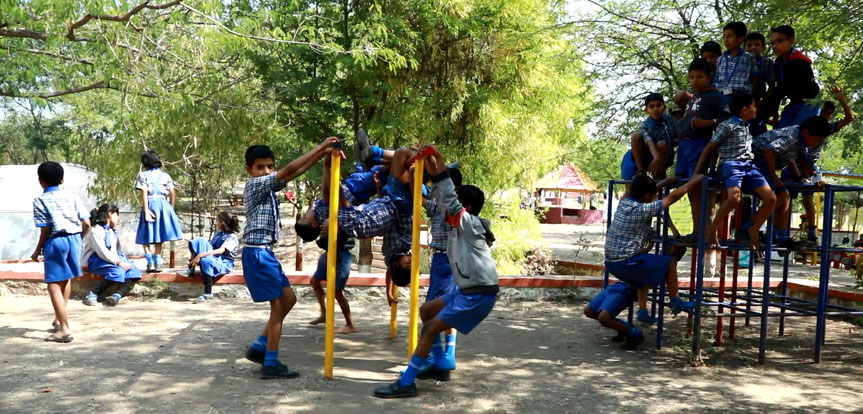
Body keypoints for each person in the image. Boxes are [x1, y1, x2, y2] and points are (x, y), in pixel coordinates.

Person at [374, 145, 498, 399]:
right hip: (468, 290)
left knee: (430, 328)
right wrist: (429, 165)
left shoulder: (468, 224)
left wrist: (438, 160)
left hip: (477, 295)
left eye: (454, 205)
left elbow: (448, 196)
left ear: (466, 209)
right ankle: (439, 362)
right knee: (427, 311)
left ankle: (407, 382)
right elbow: (442, 197)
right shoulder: (462, 225)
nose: (444, 206)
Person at [242, 137, 340, 380]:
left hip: (265, 252)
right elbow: (289, 169)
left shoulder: (268, 186)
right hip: (257, 252)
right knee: (277, 306)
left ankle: (260, 346)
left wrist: (322, 157)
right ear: (249, 170)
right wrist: (320, 146)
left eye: (270, 166)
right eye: (260, 167)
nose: (266, 171)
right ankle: (270, 362)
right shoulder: (255, 185)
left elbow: (294, 172)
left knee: (288, 299)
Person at [603, 173, 700, 342]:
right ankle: (676, 301)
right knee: (669, 263)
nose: (655, 197)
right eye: (653, 195)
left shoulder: (624, 202)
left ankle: (642, 311)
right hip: (626, 263)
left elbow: (646, 193)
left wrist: (666, 181)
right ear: (647, 196)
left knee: (644, 273)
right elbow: (673, 197)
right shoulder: (643, 210)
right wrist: (695, 180)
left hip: (611, 263)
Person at [694, 93, 776, 249]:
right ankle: (713, 231)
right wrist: (698, 171)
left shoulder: (746, 126)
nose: (756, 109)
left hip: (749, 166)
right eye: (753, 106)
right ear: (745, 109)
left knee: (771, 198)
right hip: (732, 164)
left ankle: (752, 228)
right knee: (734, 198)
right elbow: (710, 147)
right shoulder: (727, 125)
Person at [783, 85, 856, 246]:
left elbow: (849, 118)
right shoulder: (804, 125)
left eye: (829, 114)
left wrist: (841, 98)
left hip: (811, 167)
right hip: (793, 162)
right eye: (823, 112)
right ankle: (781, 233)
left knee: (809, 197)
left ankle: (812, 233)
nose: (825, 116)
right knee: (784, 197)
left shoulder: (827, 128)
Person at [31, 162, 91, 343]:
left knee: (53, 283)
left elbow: (45, 229)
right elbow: (87, 222)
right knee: (66, 278)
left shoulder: (40, 200)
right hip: (74, 239)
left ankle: (64, 328)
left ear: (41, 181)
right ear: (62, 180)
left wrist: (37, 249)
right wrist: (79, 238)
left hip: (56, 241)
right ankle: (59, 318)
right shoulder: (72, 197)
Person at [752, 116, 832, 250]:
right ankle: (750, 227)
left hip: (764, 165)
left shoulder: (801, 142)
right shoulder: (792, 136)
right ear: (807, 133)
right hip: (755, 163)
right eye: (816, 140)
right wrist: (774, 176)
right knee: (779, 196)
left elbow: (806, 163)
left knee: (785, 196)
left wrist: (816, 179)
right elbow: (768, 150)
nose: (816, 144)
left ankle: (782, 239)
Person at [677, 58, 730, 243]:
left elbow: (727, 118)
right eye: (692, 77)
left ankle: (700, 232)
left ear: (709, 77)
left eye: (700, 77)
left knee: (696, 189)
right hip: (684, 146)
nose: (695, 80)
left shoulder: (715, 96)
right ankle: (696, 231)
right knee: (684, 185)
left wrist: (708, 123)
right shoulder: (693, 97)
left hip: (700, 144)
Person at [81, 204, 143, 306]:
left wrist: (122, 261)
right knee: (118, 271)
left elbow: (114, 251)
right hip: (95, 260)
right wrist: (118, 262)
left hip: (108, 260)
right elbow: (101, 251)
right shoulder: (95, 230)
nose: (118, 218)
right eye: (117, 215)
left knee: (133, 270)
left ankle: (117, 295)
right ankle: (93, 293)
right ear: (110, 214)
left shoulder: (110, 231)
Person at [763, 25, 820, 128]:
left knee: (796, 132)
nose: (774, 46)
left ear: (791, 41)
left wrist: (766, 107)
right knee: (780, 130)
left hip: (809, 103)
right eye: (772, 43)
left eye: (778, 41)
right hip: (794, 102)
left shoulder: (799, 62)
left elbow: (782, 88)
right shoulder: (779, 63)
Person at [135, 150, 183, 272]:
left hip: (150, 203)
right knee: (159, 232)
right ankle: (158, 260)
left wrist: (146, 210)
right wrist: (171, 208)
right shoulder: (165, 176)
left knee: (145, 232)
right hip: (163, 204)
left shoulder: (143, 175)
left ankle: (149, 260)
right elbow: (172, 193)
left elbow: (144, 192)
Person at [185, 211, 240, 303]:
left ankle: (208, 293)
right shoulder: (219, 234)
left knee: (206, 260)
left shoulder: (232, 237)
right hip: (214, 258)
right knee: (200, 240)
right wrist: (196, 256)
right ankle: (192, 267)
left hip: (224, 262)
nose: (216, 223)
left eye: (217, 221)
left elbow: (221, 250)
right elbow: (209, 246)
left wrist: (200, 255)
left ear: (222, 222)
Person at [621, 93, 676, 181]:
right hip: (645, 157)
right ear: (646, 110)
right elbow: (649, 141)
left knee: (662, 144)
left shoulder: (671, 121)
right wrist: (656, 157)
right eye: (651, 107)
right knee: (636, 135)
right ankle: (641, 171)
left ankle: (659, 172)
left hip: (664, 156)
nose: (656, 109)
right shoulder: (644, 125)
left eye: (659, 105)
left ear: (664, 107)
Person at [584, 280, 641, 349]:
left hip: (629, 289)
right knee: (589, 312)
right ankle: (623, 326)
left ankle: (636, 334)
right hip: (617, 285)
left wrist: (642, 308)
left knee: (603, 318)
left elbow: (645, 283)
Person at [716, 22, 757, 104]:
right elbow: (717, 79)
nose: (726, 40)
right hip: (722, 97)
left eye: (729, 36)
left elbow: (754, 79)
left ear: (740, 39)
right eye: (724, 37)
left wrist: (752, 96)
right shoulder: (720, 59)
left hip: (741, 97)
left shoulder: (749, 57)